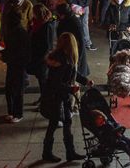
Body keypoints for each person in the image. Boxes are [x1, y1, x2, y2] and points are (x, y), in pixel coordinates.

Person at [39, 33, 88, 162]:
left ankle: (69, 152)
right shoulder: (63, 60)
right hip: (56, 97)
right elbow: (56, 83)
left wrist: (85, 81)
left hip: (61, 95)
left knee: (66, 122)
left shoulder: (63, 58)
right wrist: (71, 89)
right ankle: (48, 153)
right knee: (54, 123)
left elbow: (73, 74)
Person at [1, 0, 33, 123]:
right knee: (9, 87)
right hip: (12, 62)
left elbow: (22, 50)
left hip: (18, 63)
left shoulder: (21, 33)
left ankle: (17, 113)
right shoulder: (13, 31)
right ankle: (12, 111)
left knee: (17, 88)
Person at [27, 4, 58, 106]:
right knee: (42, 81)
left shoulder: (46, 26)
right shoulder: (40, 24)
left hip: (42, 59)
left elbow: (47, 45)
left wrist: (43, 59)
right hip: (38, 58)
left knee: (43, 82)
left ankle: (45, 103)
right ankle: (43, 100)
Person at [55, 3, 91, 79]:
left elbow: (81, 42)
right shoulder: (65, 19)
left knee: (74, 77)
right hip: (68, 51)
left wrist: (78, 60)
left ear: (63, 14)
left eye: (58, 14)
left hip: (74, 53)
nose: (57, 15)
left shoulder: (74, 23)